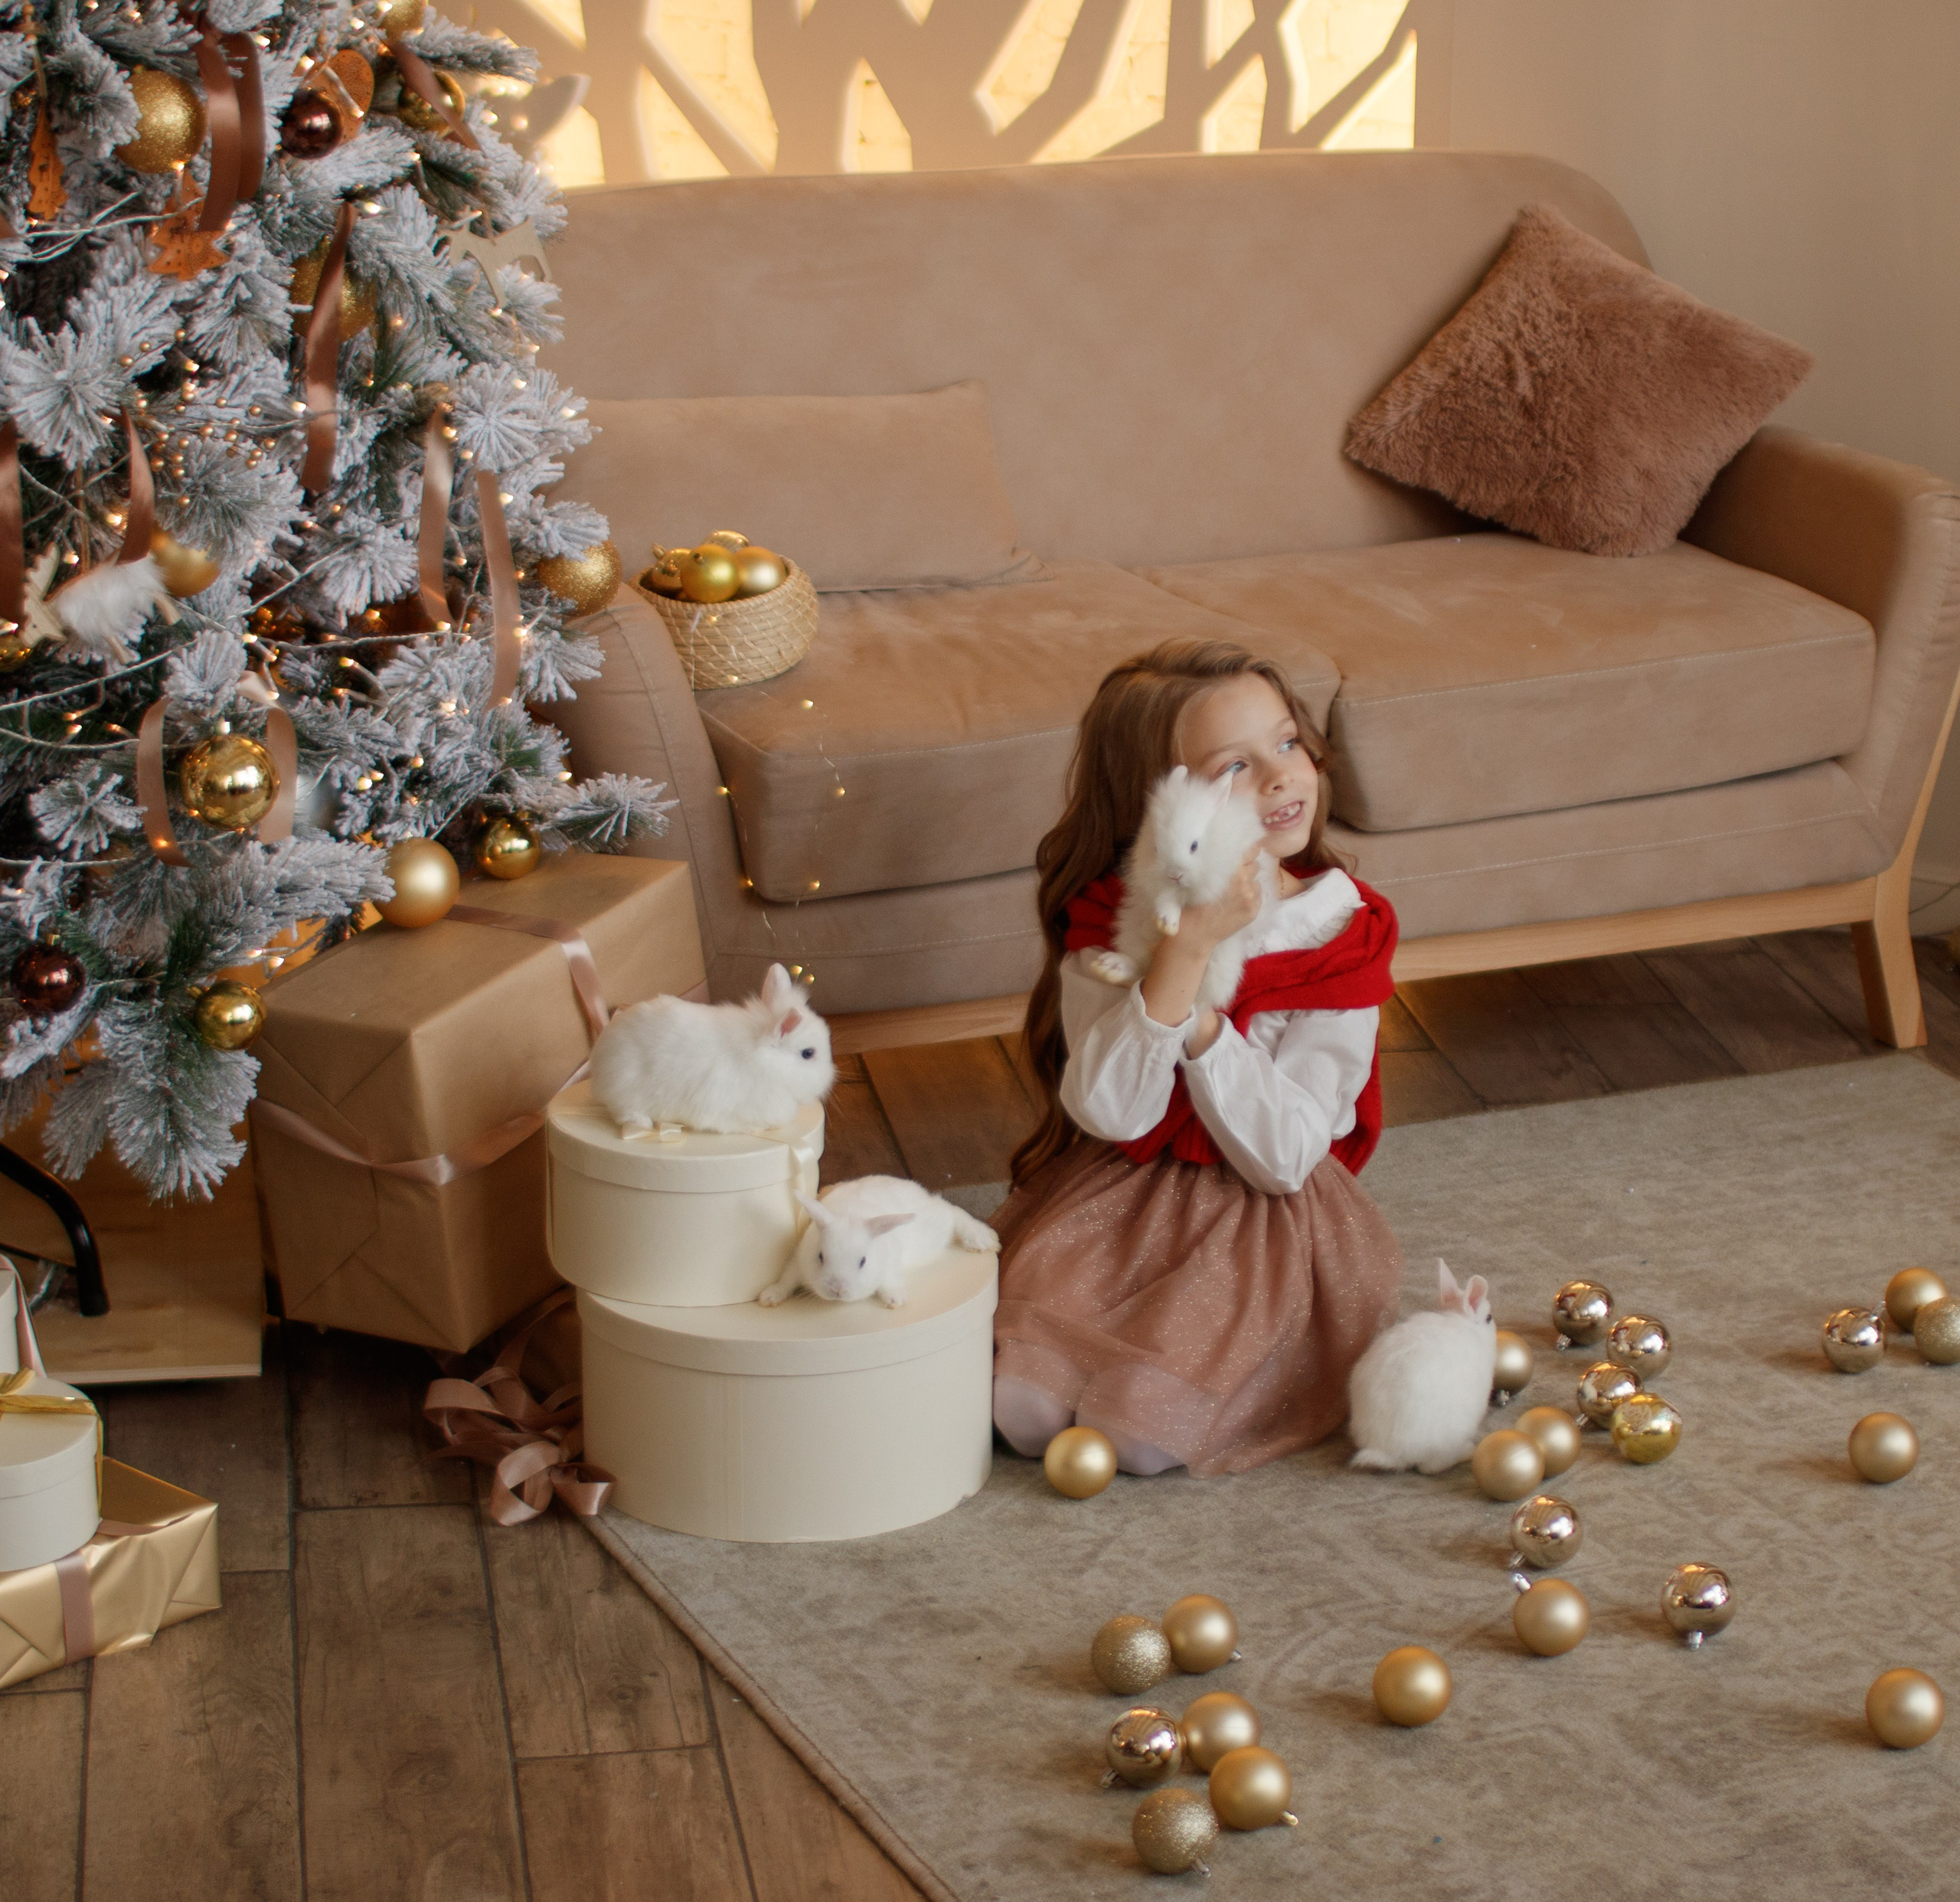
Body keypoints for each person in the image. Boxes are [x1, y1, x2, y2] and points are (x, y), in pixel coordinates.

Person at [991, 637, 1405, 1476]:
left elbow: (1289, 1156)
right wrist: (1184, 955)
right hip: (1120, 1198)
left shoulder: (1340, 930)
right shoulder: (1113, 914)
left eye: (1287, 744)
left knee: (1140, 1438)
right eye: (1233, 768)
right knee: (1022, 1414)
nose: (1282, 777)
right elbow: (1113, 1112)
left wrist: (1209, 1030)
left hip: (1260, 1223)